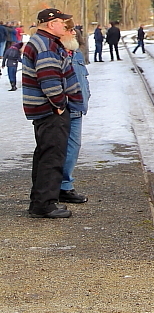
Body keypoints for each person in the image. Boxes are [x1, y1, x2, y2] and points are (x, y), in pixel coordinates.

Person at [22, 7, 83, 218]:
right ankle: (45, 205)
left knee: (45, 154)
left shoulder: (42, 42)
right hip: (50, 111)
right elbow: (49, 79)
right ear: (51, 24)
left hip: (44, 110)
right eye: (62, 22)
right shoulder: (46, 46)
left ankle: (40, 201)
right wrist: (59, 103)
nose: (66, 26)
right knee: (52, 156)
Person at [59, 23, 90, 204]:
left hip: (77, 107)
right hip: (63, 108)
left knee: (73, 147)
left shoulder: (76, 53)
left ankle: (64, 184)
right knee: (61, 148)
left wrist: (87, 96)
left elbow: (82, 79)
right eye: (70, 30)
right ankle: (63, 186)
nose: (74, 33)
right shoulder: (56, 54)